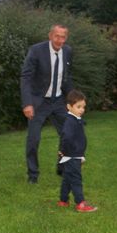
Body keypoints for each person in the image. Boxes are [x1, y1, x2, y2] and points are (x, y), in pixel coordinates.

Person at [20, 24, 73, 184]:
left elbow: (67, 78)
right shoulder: (36, 50)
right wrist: (27, 103)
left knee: (68, 135)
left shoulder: (68, 52)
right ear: (50, 36)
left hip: (58, 101)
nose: (59, 40)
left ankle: (62, 167)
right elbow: (26, 77)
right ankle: (33, 175)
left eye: (63, 37)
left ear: (66, 38)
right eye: (56, 36)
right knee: (33, 139)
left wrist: (73, 99)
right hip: (39, 102)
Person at [57, 89, 97, 213]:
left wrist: (81, 155)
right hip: (71, 156)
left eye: (83, 107)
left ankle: (63, 200)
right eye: (78, 107)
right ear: (69, 106)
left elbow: (78, 139)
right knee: (76, 180)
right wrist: (65, 152)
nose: (82, 110)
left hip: (74, 155)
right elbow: (66, 137)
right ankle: (80, 203)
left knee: (68, 179)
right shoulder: (70, 121)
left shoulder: (76, 119)